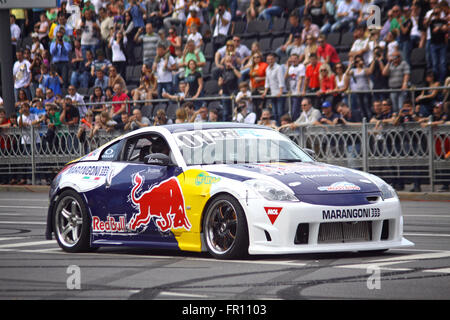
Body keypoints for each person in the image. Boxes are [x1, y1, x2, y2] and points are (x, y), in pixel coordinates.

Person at [262, 53, 285, 125]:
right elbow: (267, 82)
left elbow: (281, 80)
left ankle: (280, 126)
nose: (270, 61)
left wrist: (281, 92)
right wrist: (265, 92)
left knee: (280, 112)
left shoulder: (278, 67)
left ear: (274, 59)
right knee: (274, 112)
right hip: (273, 94)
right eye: (268, 59)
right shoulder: (267, 69)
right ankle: (276, 126)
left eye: (271, 59)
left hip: (279, 93)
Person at [218, 55, 241, 121]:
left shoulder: (235, 68)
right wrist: (221, 82)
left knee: (234, 110)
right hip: (225, 92)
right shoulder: (222, 71)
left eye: (230, 61)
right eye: (227, 61)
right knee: (225, 112)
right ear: (224, 62)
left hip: (234, 92)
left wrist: (233, 68)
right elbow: (219, 83)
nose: (228, 63)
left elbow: (240, 76)